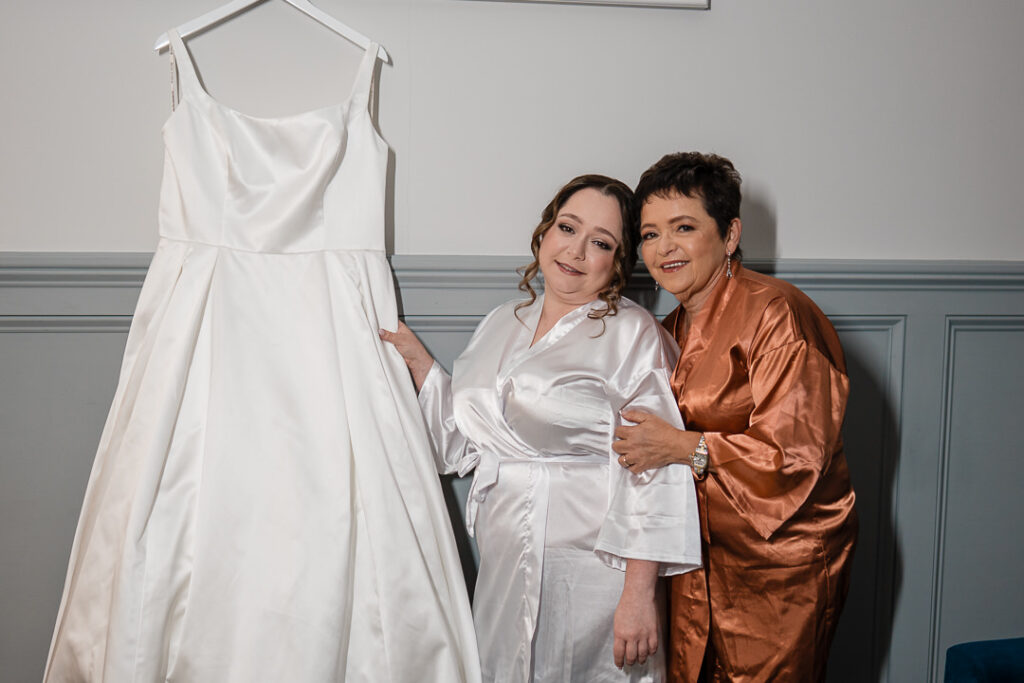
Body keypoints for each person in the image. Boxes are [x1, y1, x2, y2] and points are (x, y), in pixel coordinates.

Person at [380, 175, 702, 683]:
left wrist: (639, 597)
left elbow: (654, 469)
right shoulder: (502, 321)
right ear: (544, 231)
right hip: (505, 556)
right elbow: (464, 444)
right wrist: (421, 365)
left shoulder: (632, 334)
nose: (575, 250)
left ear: (617, 263)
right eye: (567, 227)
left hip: (595, 567)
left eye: (600, 242)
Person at [613, 152, 858, 682]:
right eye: (649, 234)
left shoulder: (779, 314)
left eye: (684, 227)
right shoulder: (668, 327)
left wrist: (684, 447)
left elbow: (795, 456)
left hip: (779, 568)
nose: (663, 248)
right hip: (696, 564)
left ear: (729, 235)